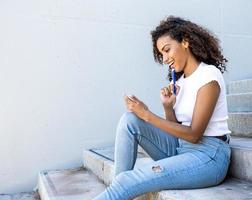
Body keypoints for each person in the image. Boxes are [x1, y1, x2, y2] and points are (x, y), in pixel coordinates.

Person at [93, 16, 231, 200]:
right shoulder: (180, 81)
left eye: (167, 50)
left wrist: (148, 115)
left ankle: (122, 187)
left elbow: (194, 134)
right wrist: (168, 107)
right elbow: (178, 133)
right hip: (182, 148)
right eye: (161, 54)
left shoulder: (209, 76)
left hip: (209, 156)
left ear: (185, 41)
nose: (165, 59)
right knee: (130, 120)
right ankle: (121, 188)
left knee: (129, 180)